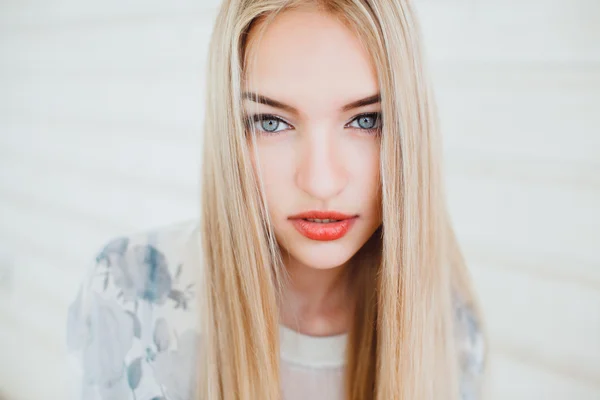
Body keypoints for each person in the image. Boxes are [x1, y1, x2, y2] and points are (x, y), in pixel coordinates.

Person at [66, 0, 486, 399]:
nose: (321, 182)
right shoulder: (131, 293)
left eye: (366, 120)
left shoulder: (451, 331)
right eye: (271, 122)